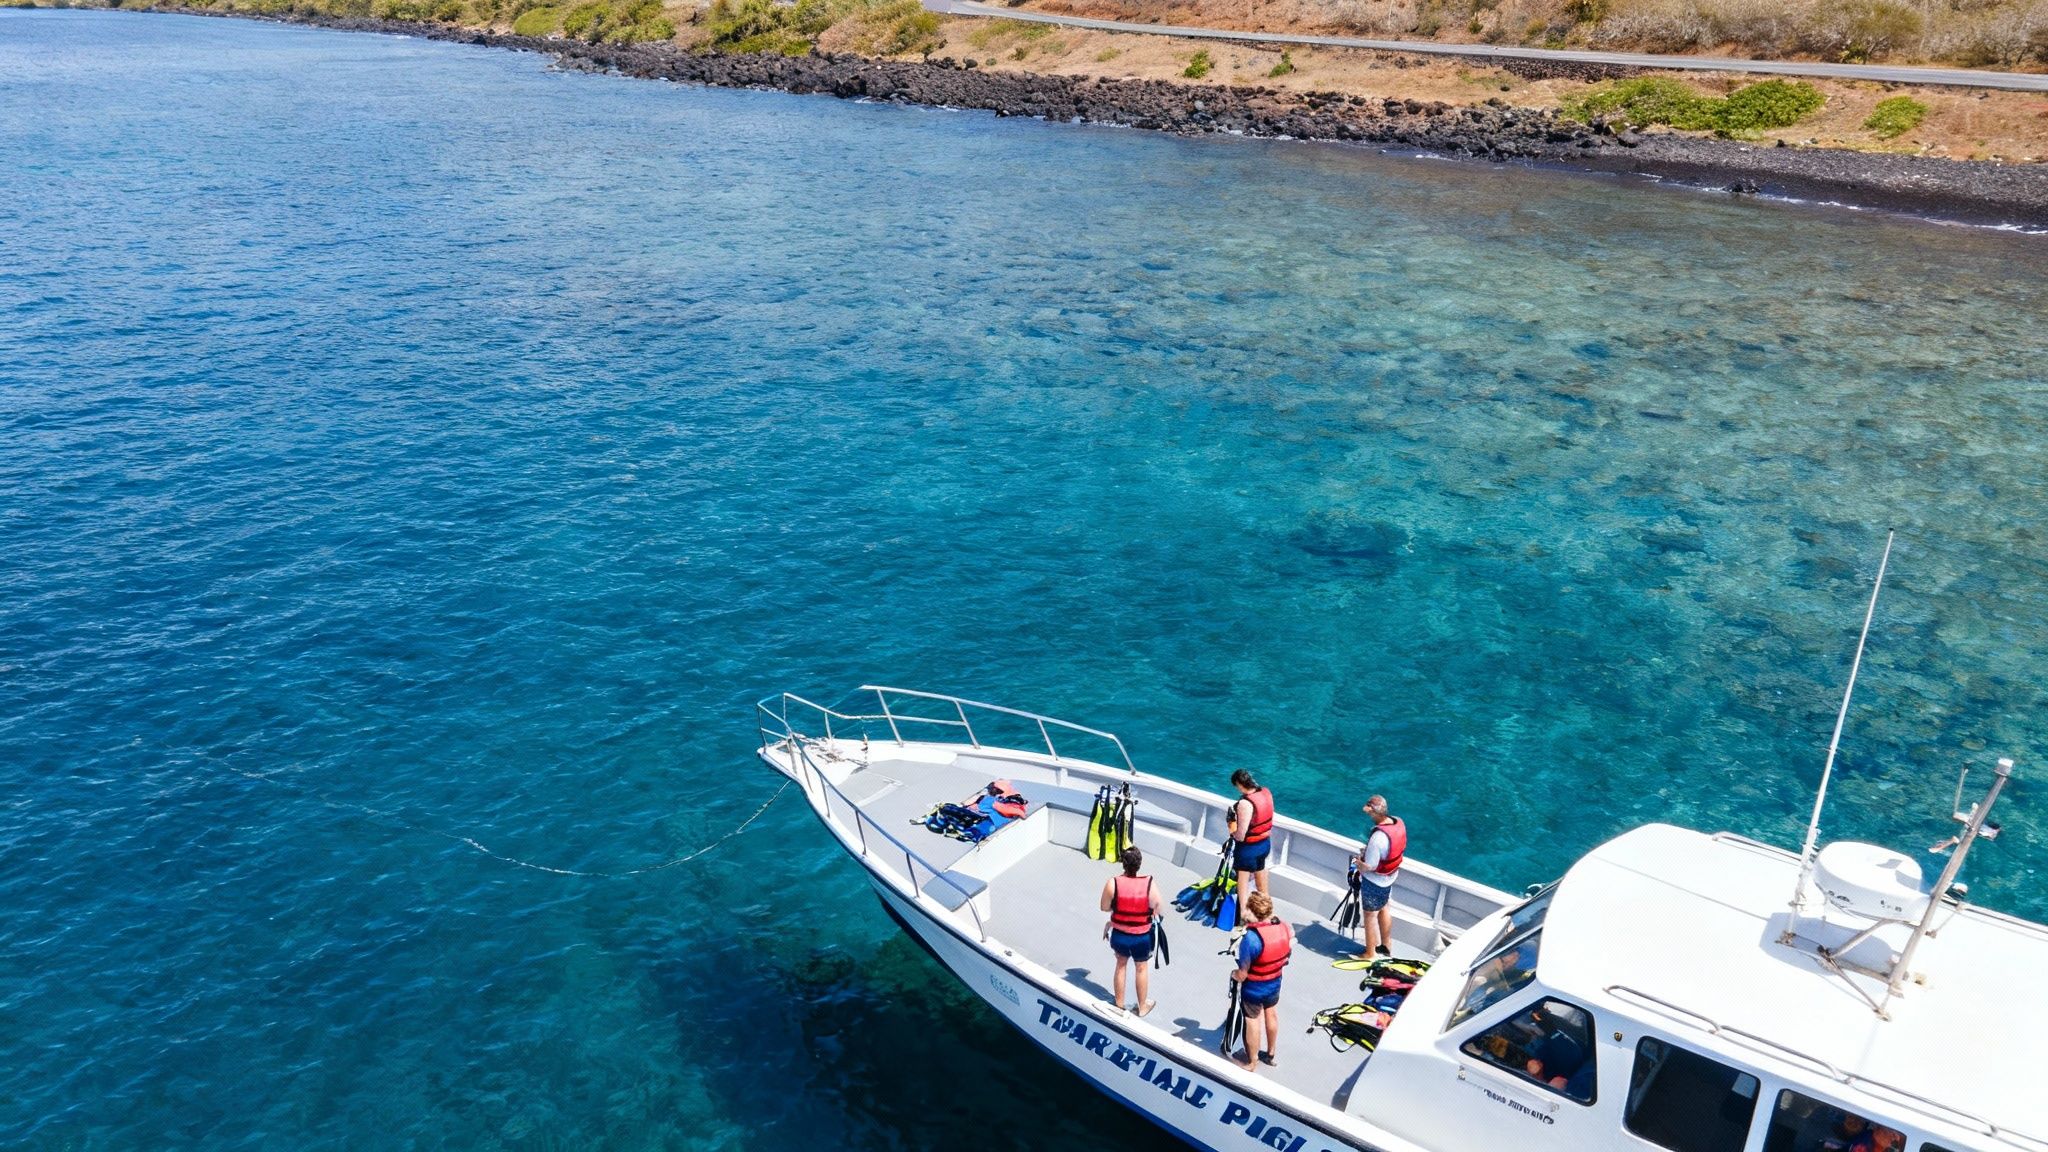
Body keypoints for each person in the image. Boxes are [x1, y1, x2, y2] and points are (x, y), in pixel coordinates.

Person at [1231, 891, 1292, 1072]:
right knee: (1271, 1013)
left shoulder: (1250, 939)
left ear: (1253, 911)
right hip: (1274, 982)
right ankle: (1271, 1054)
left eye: (1247, 908)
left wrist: (1235, 974)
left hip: (1254, 988)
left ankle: (1252, 1061)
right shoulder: (1283, 927)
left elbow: (1243, 974)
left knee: (1253, 1020)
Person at [1100, 846, 1161, 1015]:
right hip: (1141, 938)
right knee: (1141, 968)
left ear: (1123, 864)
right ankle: (1142, 1007)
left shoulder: (1113, 883)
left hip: (1119, 936)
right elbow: (1157, 906)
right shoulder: (1149, 883)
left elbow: (1104, 907)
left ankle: (1119, 1004)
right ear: (1139, 864)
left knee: (1121, 965)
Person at [1352, 794, 1405, 958]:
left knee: (1369, 915)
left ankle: (1370, 953)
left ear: (1375, 813)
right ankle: (1386, 945)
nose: (1368, 815)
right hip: (1390, 877)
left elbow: (1371, 866)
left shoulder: (1377, 838)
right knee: (1384, 907)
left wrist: (1359, 863)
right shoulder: (1397, 822)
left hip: (1375, 882)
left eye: (1369, 813)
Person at [1227, 769, 1276, 902]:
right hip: (1265, 844)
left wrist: (1231, 826)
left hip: (1249, 849)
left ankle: (1243, 914)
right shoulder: (1266, 792)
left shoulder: (1245, 803)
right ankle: (1268, 912)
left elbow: (1240, 836)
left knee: (1242, 886)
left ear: (1239, 784)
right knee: (1262, 885)